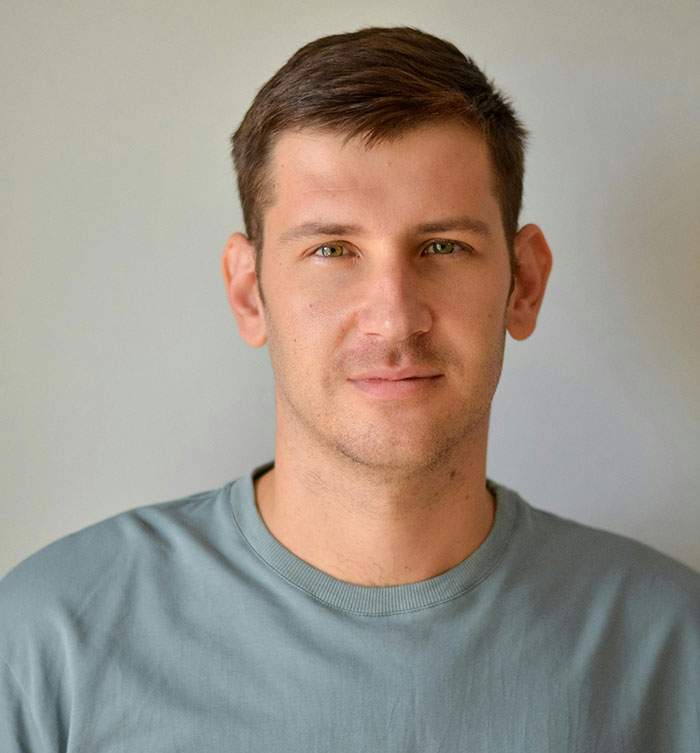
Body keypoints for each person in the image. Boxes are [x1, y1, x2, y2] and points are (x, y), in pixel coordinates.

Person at [1, 26, 698, 753]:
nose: (394, 318)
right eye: (332, 250)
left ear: (523, 283)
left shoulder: (671, 649)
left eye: (442, 247)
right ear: (249, 294)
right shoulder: (51, 641)